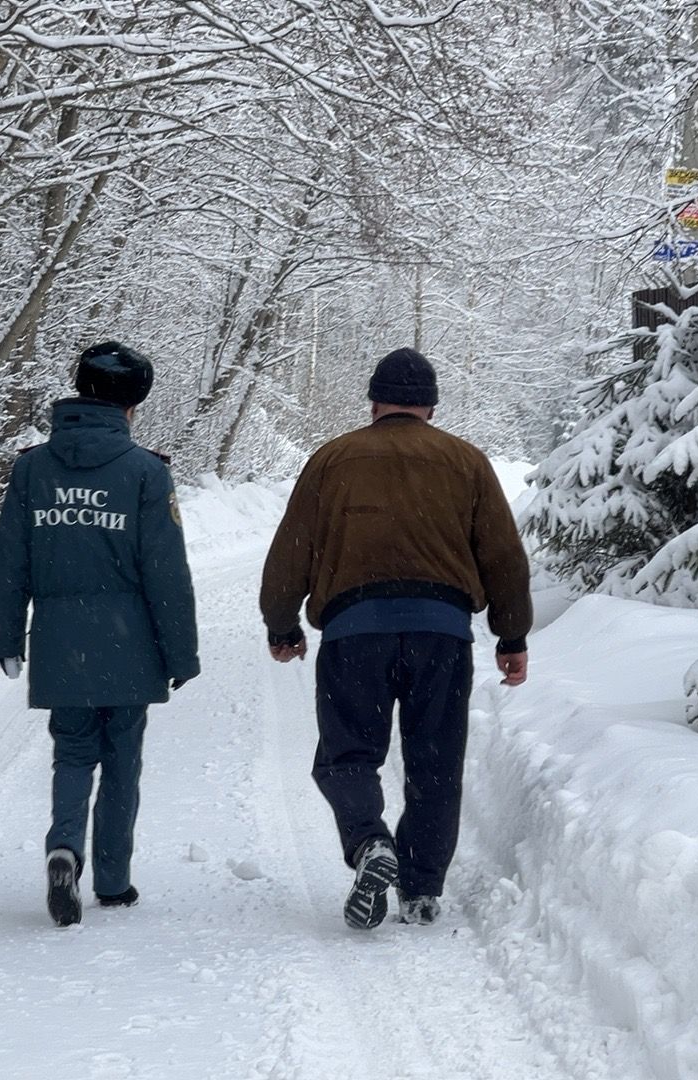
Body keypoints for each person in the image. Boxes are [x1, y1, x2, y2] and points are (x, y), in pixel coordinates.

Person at [259, 347, 532, 930]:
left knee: (346, 755)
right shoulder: (466, 461)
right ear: (430, 406)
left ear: (374, 400)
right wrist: (512, 635)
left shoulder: (333, 459)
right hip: (442, 634)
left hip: (354, 633)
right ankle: (422, 888)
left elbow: (293, 548)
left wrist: (281, 622)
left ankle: (368, 844)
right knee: (435, 762)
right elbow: (503, 556)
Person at [0, 341, 200, 928]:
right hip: (128, 643)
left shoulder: (32, 467)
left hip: (60, 639)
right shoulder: (145, 472)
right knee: (123, 758)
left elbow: (8, 561)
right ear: (134, 405)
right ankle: (112, 879)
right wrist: (180, 651)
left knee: (73, 751)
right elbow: (166, 571)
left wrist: (8, 637)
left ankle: (63, 848)